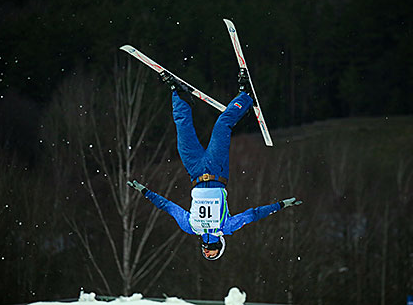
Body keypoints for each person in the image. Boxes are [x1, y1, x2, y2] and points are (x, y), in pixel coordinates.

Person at [128, 69, 302, 260]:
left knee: (182, 129)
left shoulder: (191, 227)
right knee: (222, 125)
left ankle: (178, 94)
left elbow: (167, 206)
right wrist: (280, 205)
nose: (207, 250)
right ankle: (245, 95)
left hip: (194, 172)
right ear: (220, 247)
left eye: (206, 252)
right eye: (212, 252)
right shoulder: (225, 227)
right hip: (215, 170)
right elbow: (253, 214)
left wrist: (145, 192)